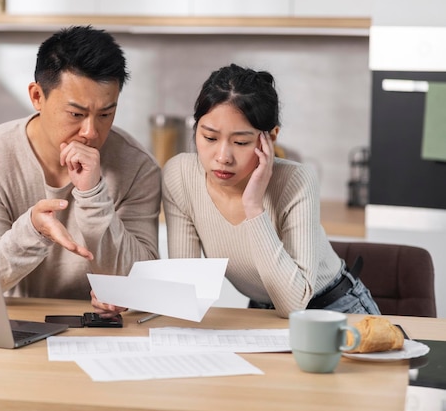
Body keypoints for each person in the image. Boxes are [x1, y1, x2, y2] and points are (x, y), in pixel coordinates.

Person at [0, 26, 161, 307]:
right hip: (15, 325)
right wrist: (33, 231)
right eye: (76, 114)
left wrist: (93, 195)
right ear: (37, 96)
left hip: (104, 330)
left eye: (105, 114)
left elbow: (144, 282)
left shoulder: (137, 167)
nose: (90, 131)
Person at [162, 64, 380, 318]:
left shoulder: (296, 181)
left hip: (334, 308)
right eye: (210, 138)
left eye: (241, 142)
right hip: (263, 312)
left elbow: (293, 304)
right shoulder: (180, 176)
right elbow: (188, 292)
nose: (222, 157)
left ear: (271, 137)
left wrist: (254, 207)